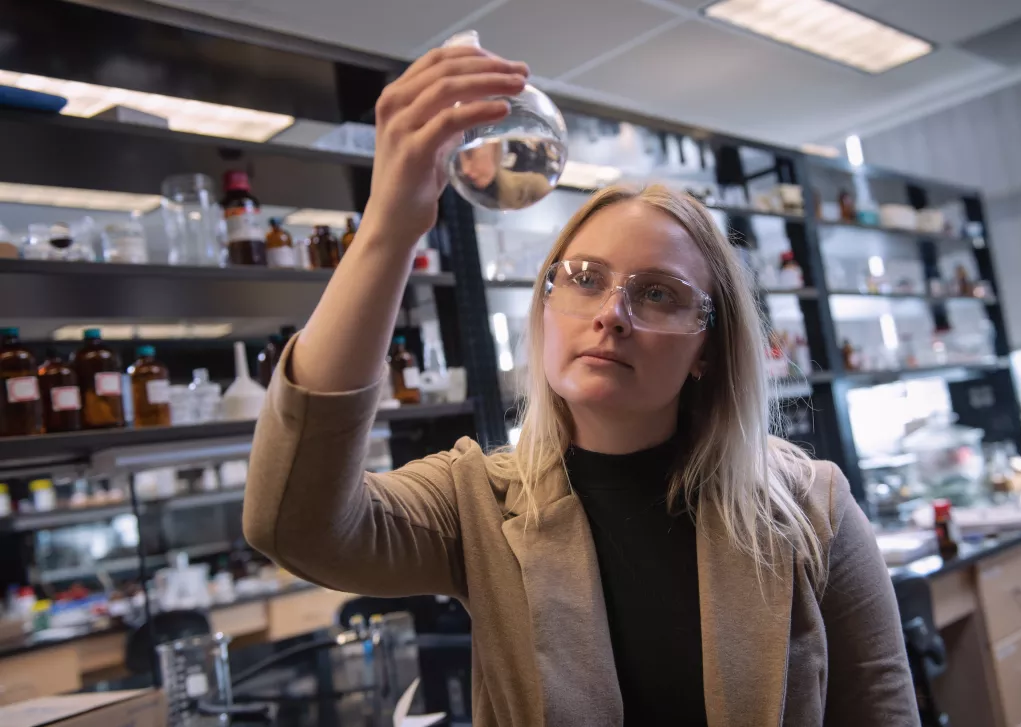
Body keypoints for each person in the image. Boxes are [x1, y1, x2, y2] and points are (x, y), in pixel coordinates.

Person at [243, 44, 918, 727]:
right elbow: (293, 524)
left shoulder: (813, 510)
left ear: (707, 350)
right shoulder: (477, 504)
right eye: (586, 278)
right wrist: (389, 228)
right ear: (544, 307)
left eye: (656, 292)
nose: (610, 315)